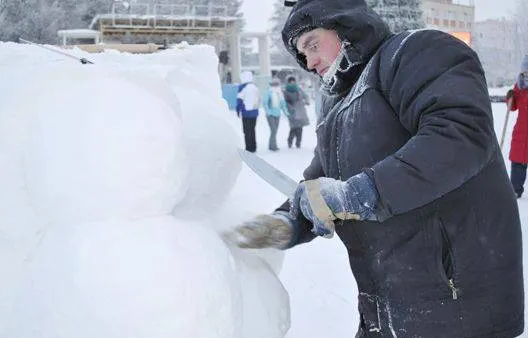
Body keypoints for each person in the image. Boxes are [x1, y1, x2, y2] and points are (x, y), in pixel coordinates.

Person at [222, 0, 524, 337]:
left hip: (458, 306)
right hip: (386, 311)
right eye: (301, 55)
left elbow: (460, 136)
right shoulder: (338, 109)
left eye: (311, 44)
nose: (308, 61)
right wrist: (289, 221)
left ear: (344, 26)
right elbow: (321, 184)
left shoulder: (416, 53)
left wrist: (361, 194)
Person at [506, 55, 528, 199]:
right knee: (518, 161)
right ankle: (515, 189)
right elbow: (512, 107)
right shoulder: (519, 87)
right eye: (525, 73)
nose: (526, 75)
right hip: (521, 132)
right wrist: (510, 97)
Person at [235, 71, 260, 152]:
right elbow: (258, 99)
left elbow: (239, 100)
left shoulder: (242, 88)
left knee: (246, 131)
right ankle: (254, 146)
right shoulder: (255, 87)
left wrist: (238, 111)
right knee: (252, 130)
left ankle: (248, 147)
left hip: (246, 113)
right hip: (254, 113)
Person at [262, 78, 290, 151]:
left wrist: (286, 112)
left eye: (277, 84)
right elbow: (265, 103)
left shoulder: (279, 93)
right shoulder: (269, 92)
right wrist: (268, 112)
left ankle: (271, 145)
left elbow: (282, 104)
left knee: (275, 131)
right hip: (270, 115)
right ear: (271, 85)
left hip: (277, 114)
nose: (276, 86)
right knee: (273, 130)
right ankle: (273, 146)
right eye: (274, 84)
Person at [283, 76, 310, 148]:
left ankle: (298, 142)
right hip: (292, 112)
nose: (292, 83)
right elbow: (285, 102)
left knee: (300, 128)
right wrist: (291, 108)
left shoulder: (299, 90)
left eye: (293, 81)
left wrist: (307, 101)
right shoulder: (286, 91)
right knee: (293, 128)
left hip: (300, 111)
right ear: (288, 82)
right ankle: (290, 141)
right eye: (291, 82)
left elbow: (306, 96)